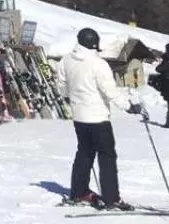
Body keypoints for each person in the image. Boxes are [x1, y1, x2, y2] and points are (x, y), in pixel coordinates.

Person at [58, 27, 132, 209]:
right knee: (106, 156)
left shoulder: (65, 60)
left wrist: (73, 97)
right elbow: (110, 90)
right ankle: (111, 198)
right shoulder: (98, 64)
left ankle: (78, 192)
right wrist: (129, 106)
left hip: (79, 117)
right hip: (98, 118)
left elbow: (62, 87)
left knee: (84, 153)